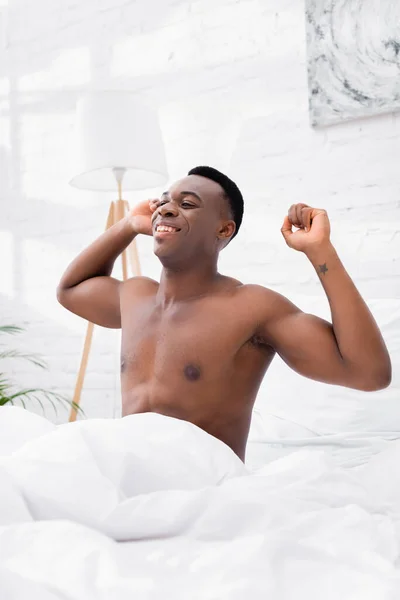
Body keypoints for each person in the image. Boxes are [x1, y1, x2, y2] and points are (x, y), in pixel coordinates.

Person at [56, 166, 391, 463]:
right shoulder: (134, 295)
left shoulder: (251, 307)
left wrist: (320, 250)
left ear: (223, 230)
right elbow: (70, 290)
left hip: (202, 491)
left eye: (187, 204)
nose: (166, 210)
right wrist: (128, 225)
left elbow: (369, 373)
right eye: (163, 202)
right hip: (125, 471)